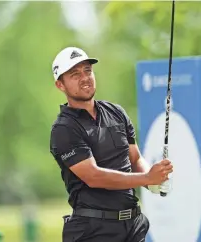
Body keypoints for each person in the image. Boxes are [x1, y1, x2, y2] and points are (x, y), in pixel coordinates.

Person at [49, 47, 173, 242]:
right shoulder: (64, 129)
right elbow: (94, 177)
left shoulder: (116, 112)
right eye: (75, 74)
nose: (85, 77)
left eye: (87, 71)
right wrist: (146, 177)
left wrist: (154, 182)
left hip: (133, 226)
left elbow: (135, 158)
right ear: (60, 85)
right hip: (93, 231)